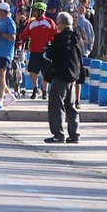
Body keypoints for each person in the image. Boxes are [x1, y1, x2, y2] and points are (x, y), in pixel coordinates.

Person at [42, 11, 83, 144]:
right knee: (71, 105)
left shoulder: (61, 38)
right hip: (73, 75)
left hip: (61, 75)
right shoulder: (77, 38)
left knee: (56, 105)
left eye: (58, 23)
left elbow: (52, 55)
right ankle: (74, 134)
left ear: (62, 23)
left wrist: (48, 48)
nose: (57, 26)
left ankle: (58, 134)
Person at [23, 3, 58, 98]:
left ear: (41, 11)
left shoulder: (49, 22)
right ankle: (35, 88)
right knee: (32, 70)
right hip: (34, 51)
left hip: (46, 52)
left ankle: (45, 91)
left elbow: (56, 35)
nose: (33, 12)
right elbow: (24, 35)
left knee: (46, 72)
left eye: (35, 10)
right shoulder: (31, 23)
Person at [0, 0, 18, 100]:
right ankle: (9, 96)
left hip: (6, 53)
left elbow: (13, 38)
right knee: (0, 75)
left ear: (2, 11)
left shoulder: (10, 22)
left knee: (1, 74)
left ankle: (1, 98)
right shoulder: (1, 21)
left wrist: (0, 33)